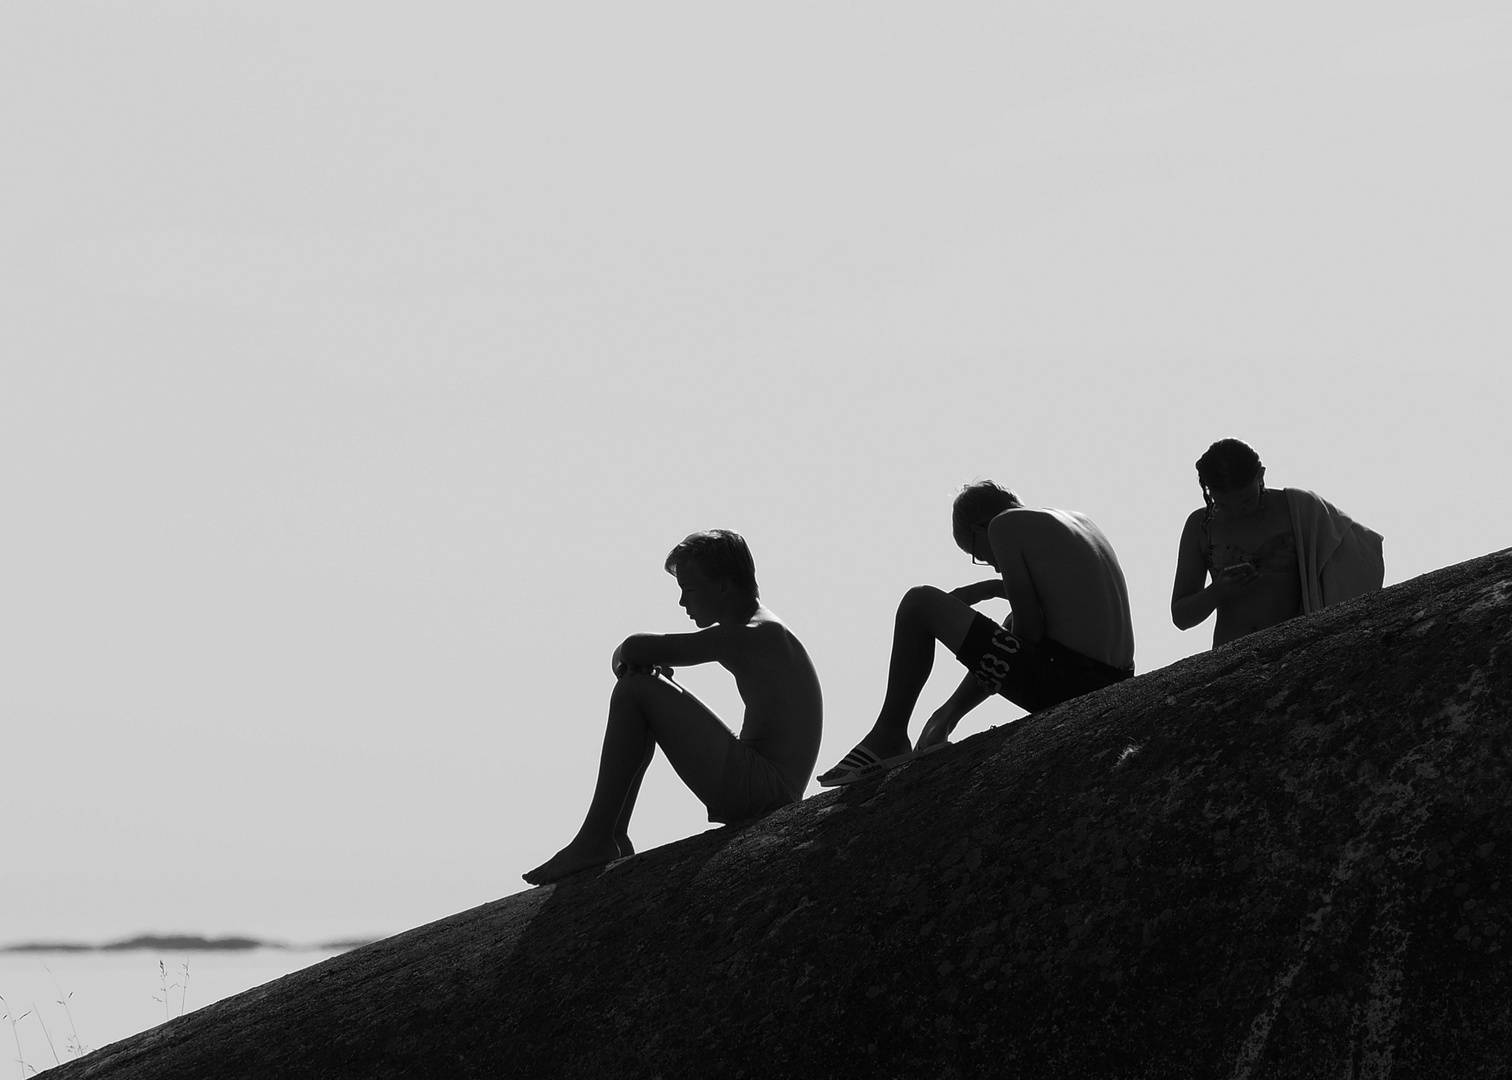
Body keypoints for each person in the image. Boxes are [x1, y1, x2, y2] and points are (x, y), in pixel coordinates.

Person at [524, 530, 822, 885]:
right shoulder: (758, 628)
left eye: (690, 590)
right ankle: (613, 835)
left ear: (724, 587)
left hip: (766, 790)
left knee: (634, 691)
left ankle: (597, 838)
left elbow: (633, 648)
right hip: (763, 782)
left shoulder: (753, 632)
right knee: (642, 692)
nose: (683, 602)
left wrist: (636, 666)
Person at [817, 481, 1135, 787]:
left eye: (980, 556)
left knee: (918, 603)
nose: (995, 566)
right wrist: (987, 589)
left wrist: (978, 600)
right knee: (1009, 622)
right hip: (1114, 679)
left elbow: (1029, 632)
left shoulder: (1004, 526)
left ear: (979, 529)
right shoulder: (1077, 520)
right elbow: (1057, 607)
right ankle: (943, 717)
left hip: (1067, 681)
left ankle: (890, 735)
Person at [1171, 438, 1384, 649]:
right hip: (1231, 652)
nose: (1237, 511)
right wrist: (1217, 591)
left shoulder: (1299, 510)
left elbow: (1364, 554)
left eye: (1246, 500)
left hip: (1297, 648)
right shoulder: (1201, 526)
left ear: (1261, 476)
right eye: (1224, 504)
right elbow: (1181, 617)